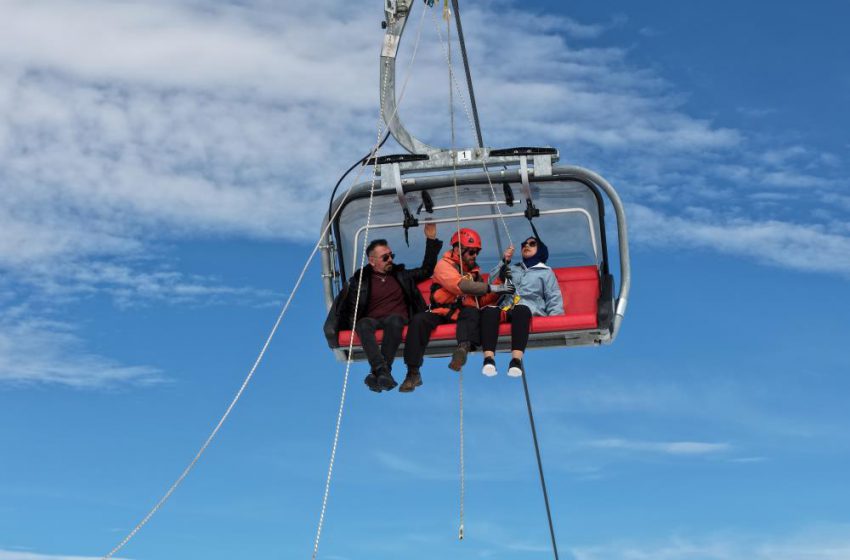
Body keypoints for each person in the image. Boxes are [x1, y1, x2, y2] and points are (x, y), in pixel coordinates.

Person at [399, 227, 515, 392]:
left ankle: (462, 349)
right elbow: (461, 286)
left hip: (464, 314)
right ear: (458, 249)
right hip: (441, 312)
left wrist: (500, 283)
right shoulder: (443, 266)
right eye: (471, 252)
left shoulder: (474, 273)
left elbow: (480, 301)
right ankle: (412, 372)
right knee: (419, 320)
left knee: (472, 311)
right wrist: (494, 288)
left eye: (476, 252)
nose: (475, 256)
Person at [334, 223, 442, 392]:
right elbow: (352, 308)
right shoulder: (361, 281)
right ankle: (383, 371)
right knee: (362, 324)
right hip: (373, 320)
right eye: (385, 257)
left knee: (394, 320)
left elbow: (427, 270)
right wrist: (345, 327)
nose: (390, 259)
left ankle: (380, 373)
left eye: (391, 255)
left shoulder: (402, 276)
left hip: (398, 318)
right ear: (372, 261)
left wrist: (431, 239)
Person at [480, 236, 564, 377]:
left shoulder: (546, 272)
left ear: (540, 250)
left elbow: (553, 296)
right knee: (490, 311)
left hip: (529, 309)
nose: (527, 245)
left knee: (521, 309)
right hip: (507, 308)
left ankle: (516, 360)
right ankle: (489, 359)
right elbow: (491, 283)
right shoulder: (513, 268)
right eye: (524, 244)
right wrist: (504, 261)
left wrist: (556, 321)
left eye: (532, 244)